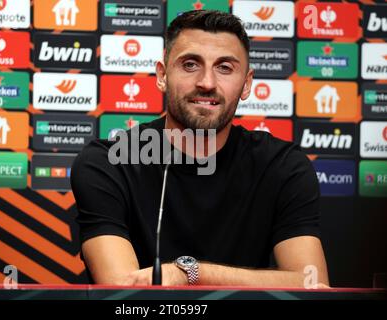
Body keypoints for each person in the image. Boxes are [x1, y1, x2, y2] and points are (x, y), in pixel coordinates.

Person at [71, 10, 329, 287]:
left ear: (247, 84)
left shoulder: (282, 166)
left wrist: (190, 273)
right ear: (162, 75)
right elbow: (122, 288)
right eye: (190, 65)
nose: (206, 82)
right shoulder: (108, 163)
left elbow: (313, 283)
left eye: (225, 68)